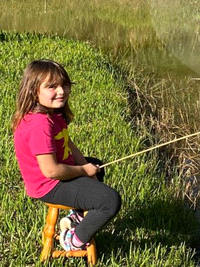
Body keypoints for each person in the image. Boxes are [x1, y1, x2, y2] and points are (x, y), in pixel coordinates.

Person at [12, 59, 121, 253]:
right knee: (110, 200)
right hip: (49, 185)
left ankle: (77, 216)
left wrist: (87, 167)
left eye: (64, 85)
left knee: (97, 165)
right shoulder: (40, 124)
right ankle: (73, 240)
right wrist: (83, 170)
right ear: (33, 90)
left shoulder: (53, 114)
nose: (61, 91)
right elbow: (51, 170)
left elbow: (68, 144)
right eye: (52, 87)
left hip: (57, 175)